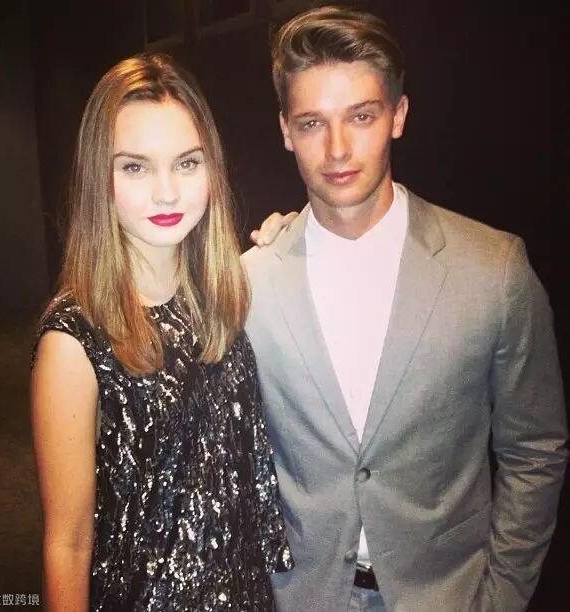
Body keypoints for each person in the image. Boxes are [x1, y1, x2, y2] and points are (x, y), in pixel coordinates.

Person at [243, 6, 568, 612]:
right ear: (286, 130)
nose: (337, 148)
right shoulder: (247, 285)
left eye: (361, 116)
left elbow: (535, 449)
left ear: (398, 115)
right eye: (312, 123)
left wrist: (501, 595)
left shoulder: (493, 269)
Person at [30, 52, 293, 611]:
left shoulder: (224, 297)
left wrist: (292, 243)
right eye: (136, 167)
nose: (167, 192)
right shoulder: (74, 341)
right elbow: (67, 544)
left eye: (187, 163)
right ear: (99, 178)